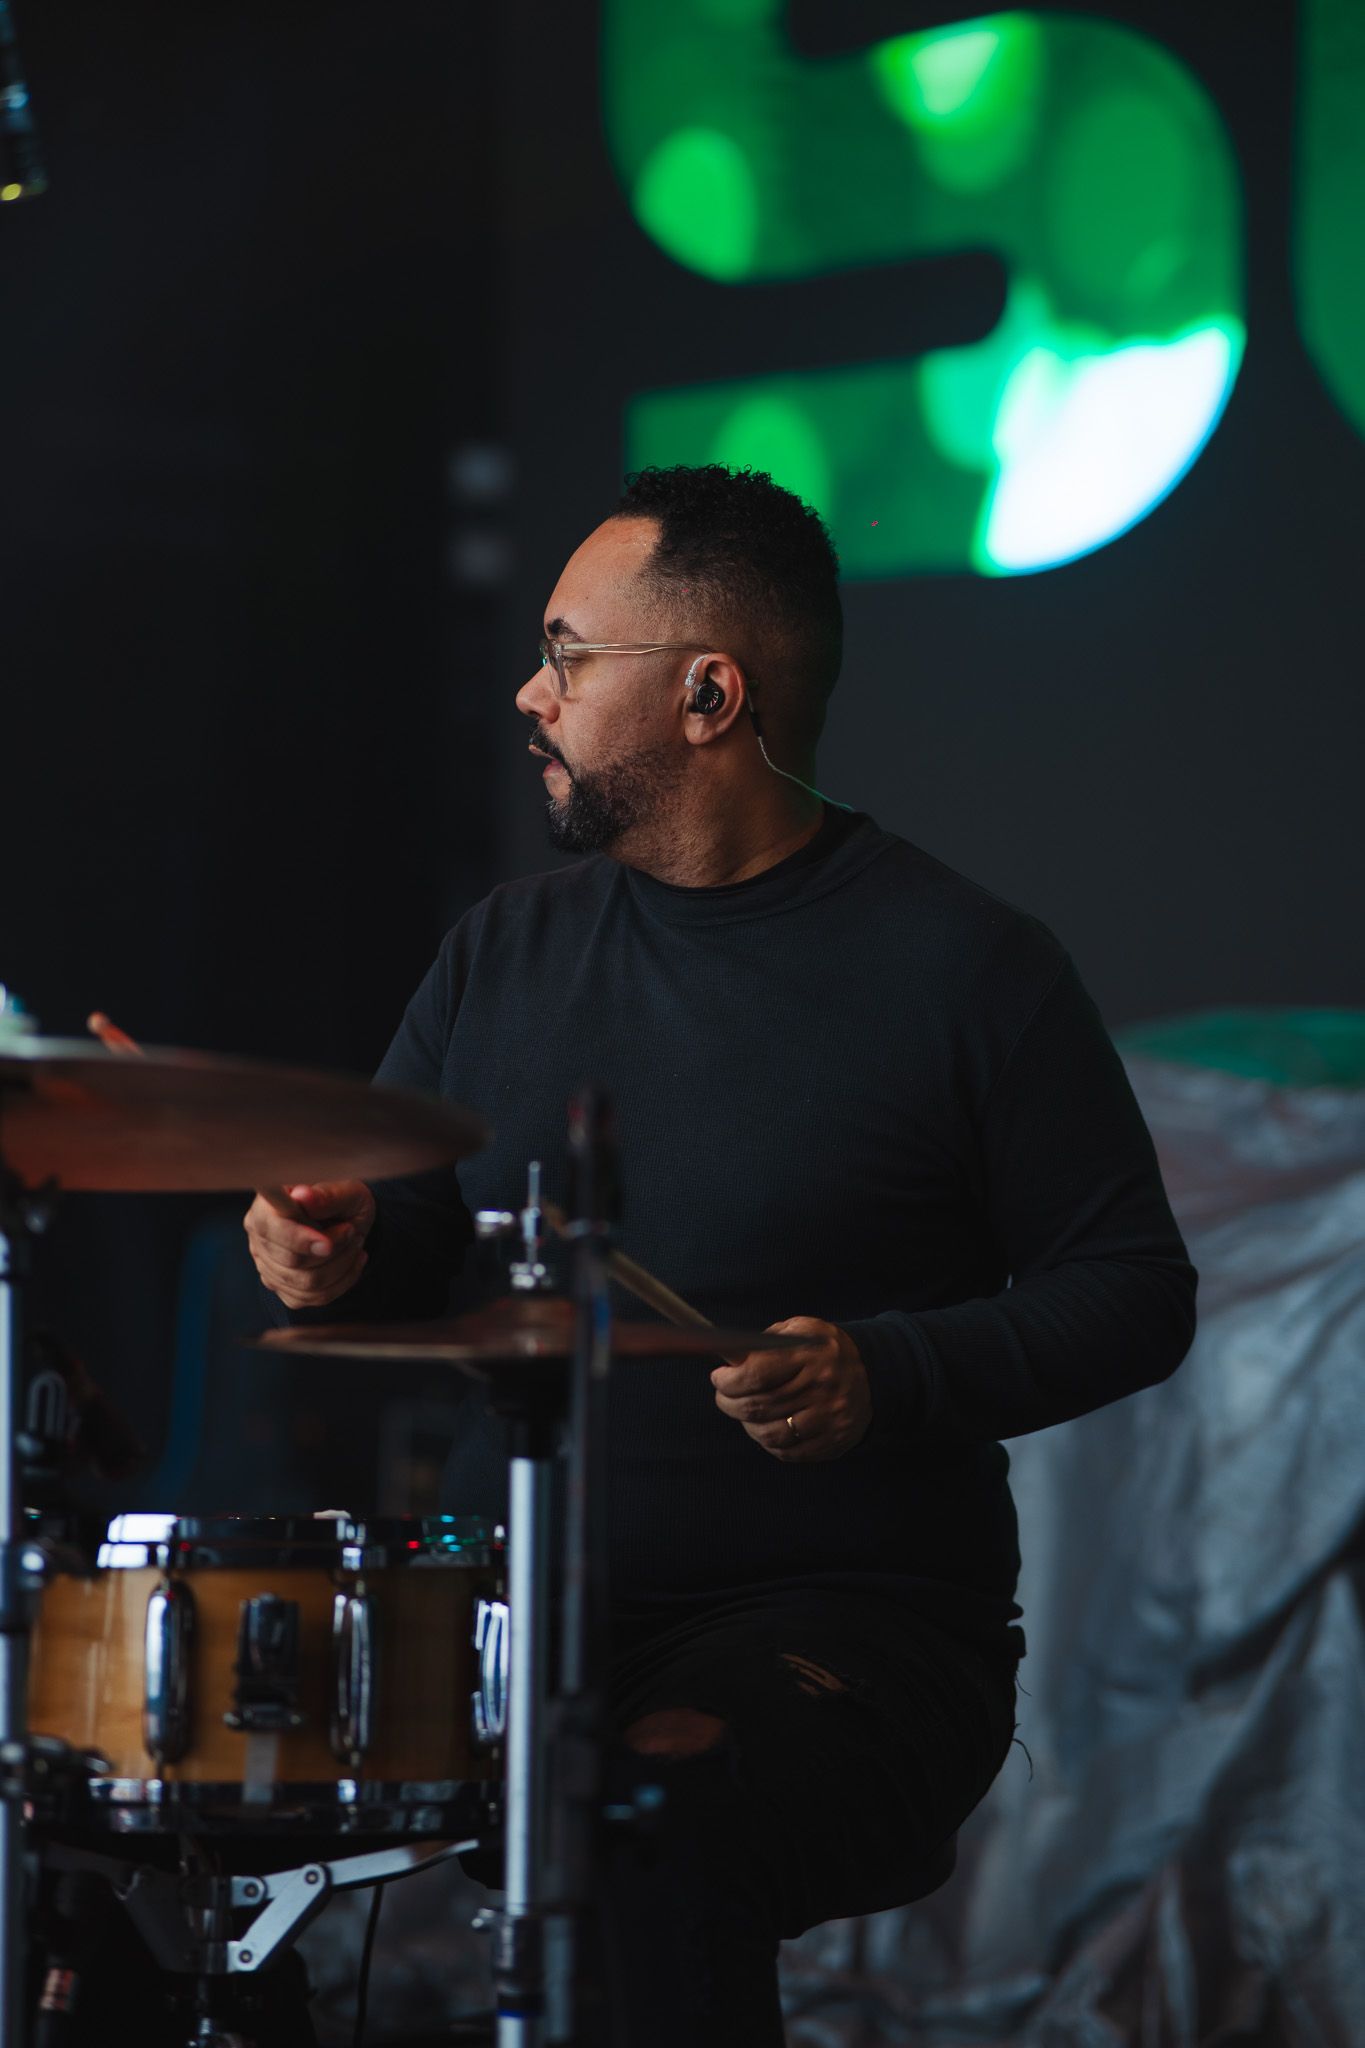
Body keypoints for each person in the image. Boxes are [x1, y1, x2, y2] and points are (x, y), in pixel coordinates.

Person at [246, 464, 1198, 2045]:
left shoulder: (967, 967)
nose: (525, 691)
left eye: (566, 653)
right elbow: (411, 1245)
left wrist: (893, 1373)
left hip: (857, 1638)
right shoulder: (505, 950)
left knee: (639, 1815)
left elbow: (1135, 1295)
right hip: (535, 1619)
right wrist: (329, 1249)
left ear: (707, 693)